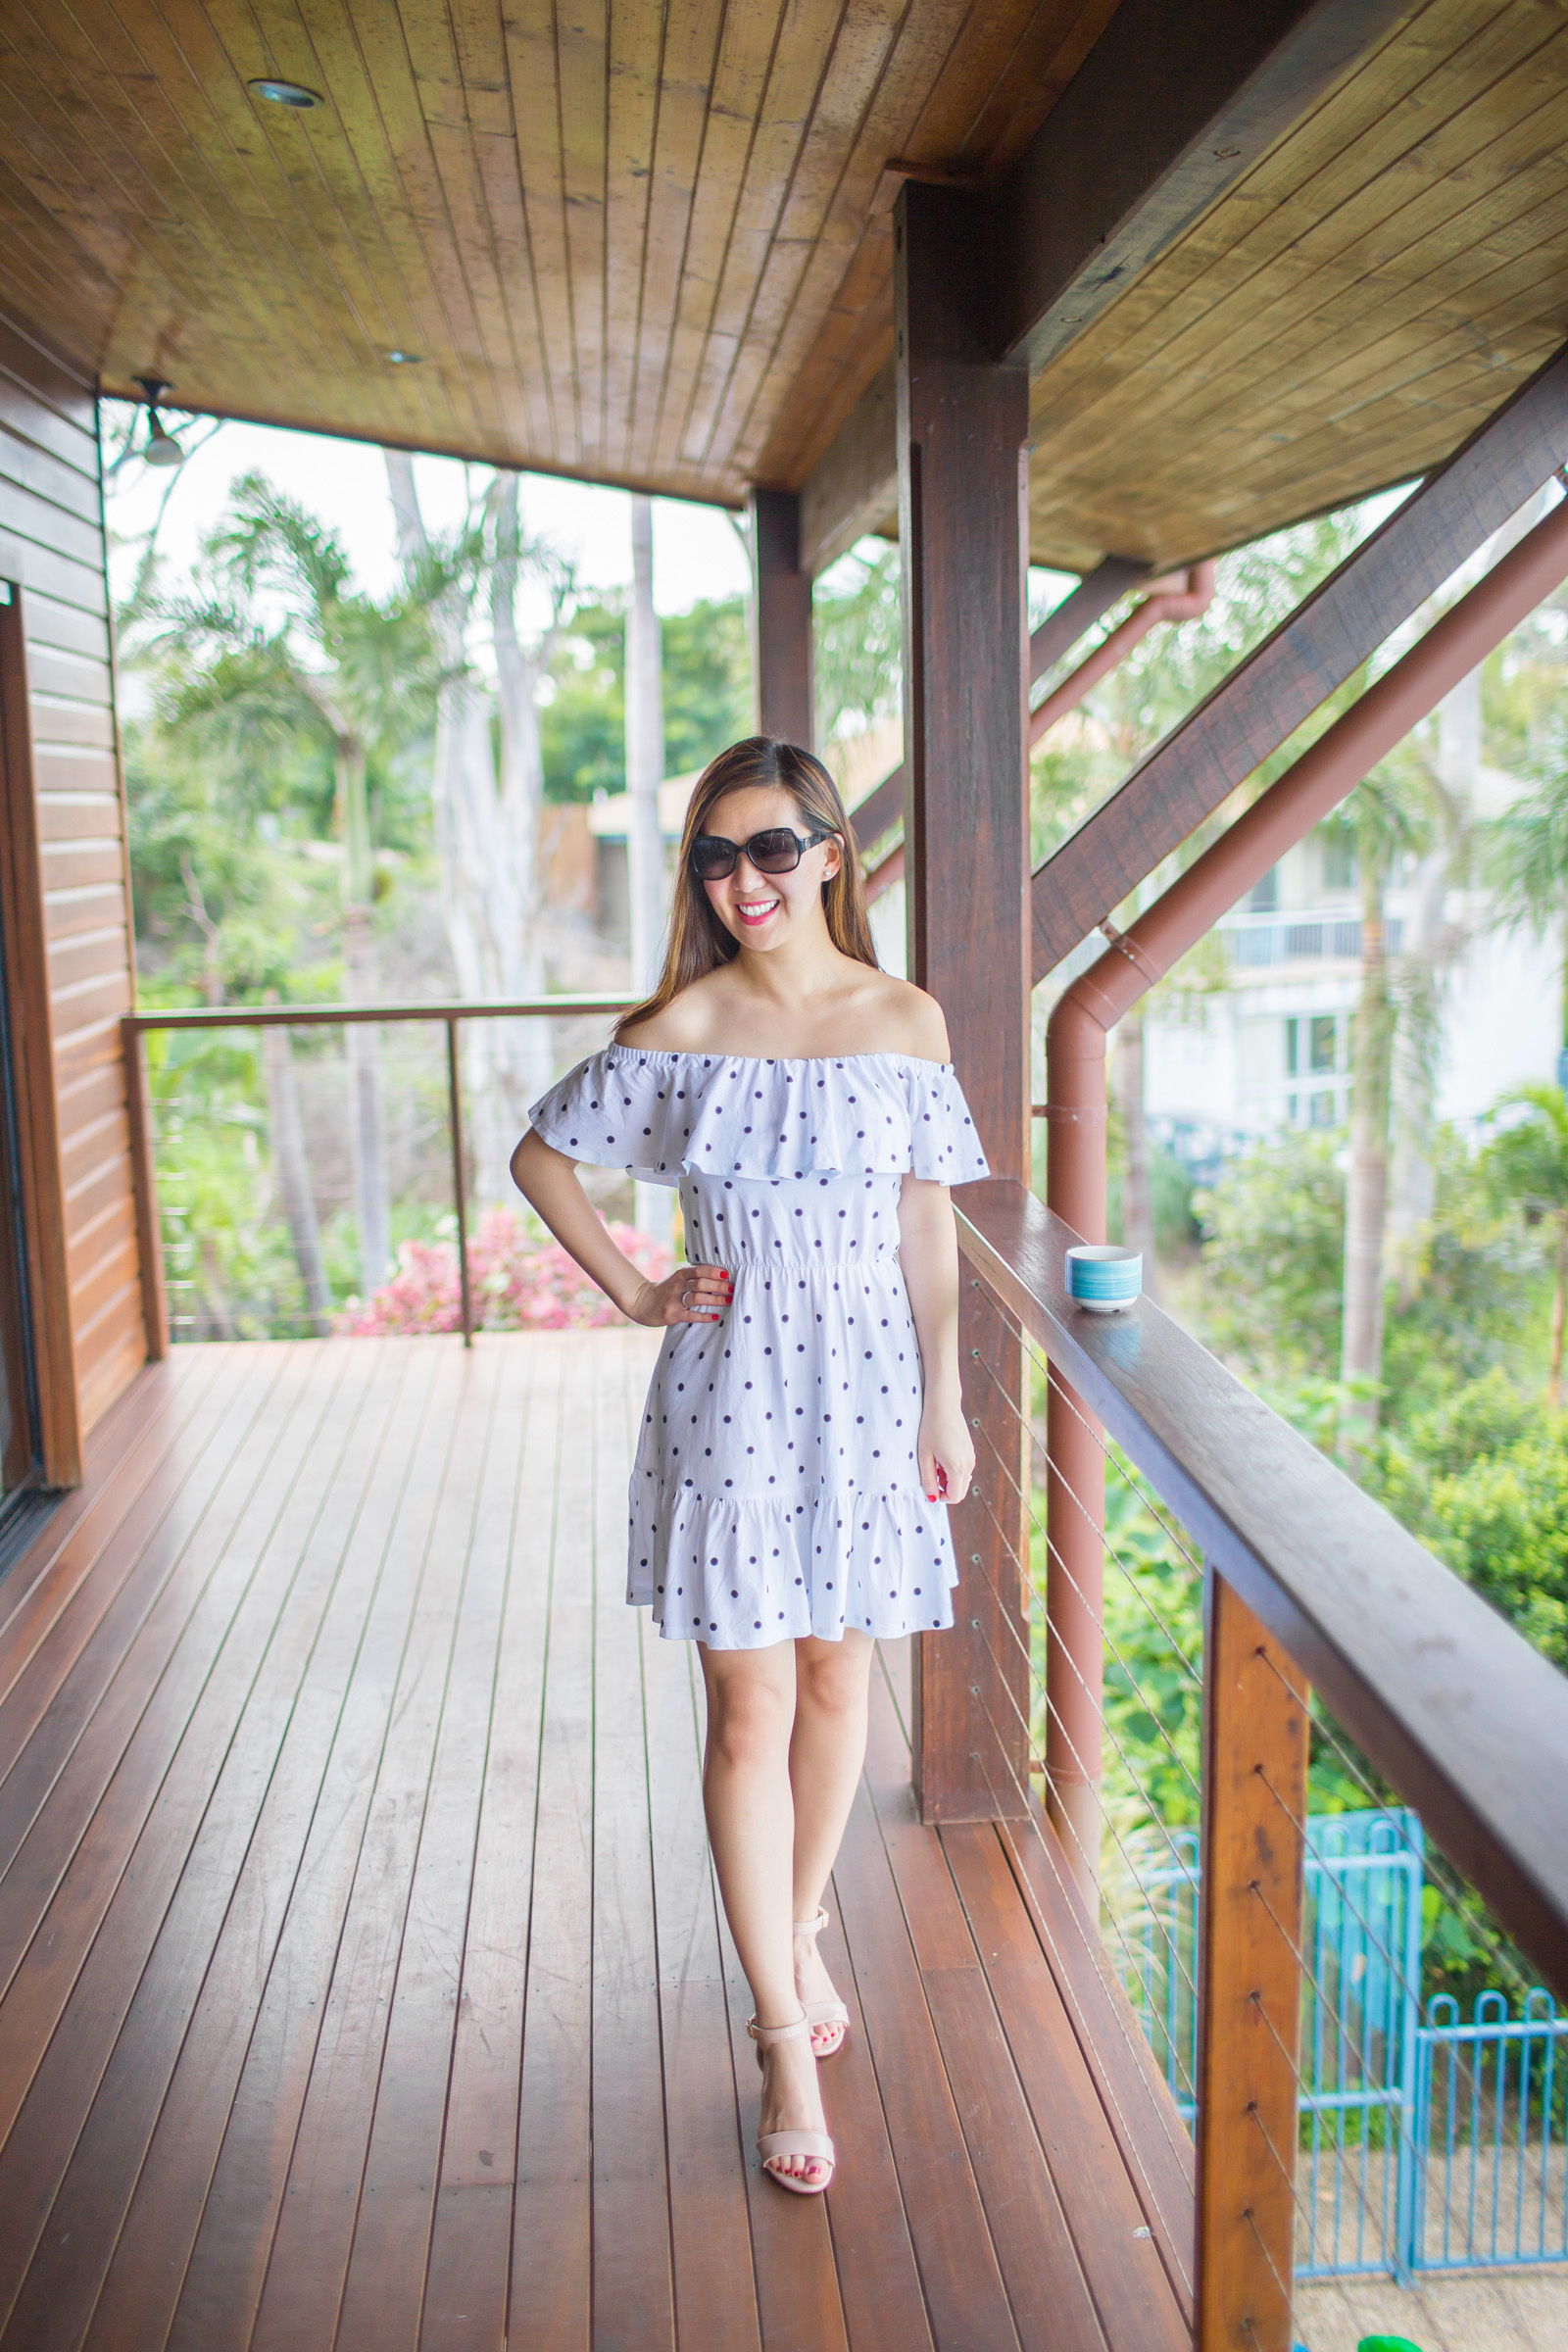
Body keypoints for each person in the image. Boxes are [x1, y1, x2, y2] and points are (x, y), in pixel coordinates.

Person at [511, 736, 988, 2196]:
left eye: (772, 848)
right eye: (716, 855)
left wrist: (947, 1404)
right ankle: (783, 2034)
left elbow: (927, 1230)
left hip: (869, 1388)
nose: (743, 881)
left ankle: (790, 1926)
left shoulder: (906, 1020)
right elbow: (542, 1158)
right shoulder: (681, 1023)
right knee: (746, 1708)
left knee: (845, 1681)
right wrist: (640, 1289)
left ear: (832, 854)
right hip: (733, 1383)